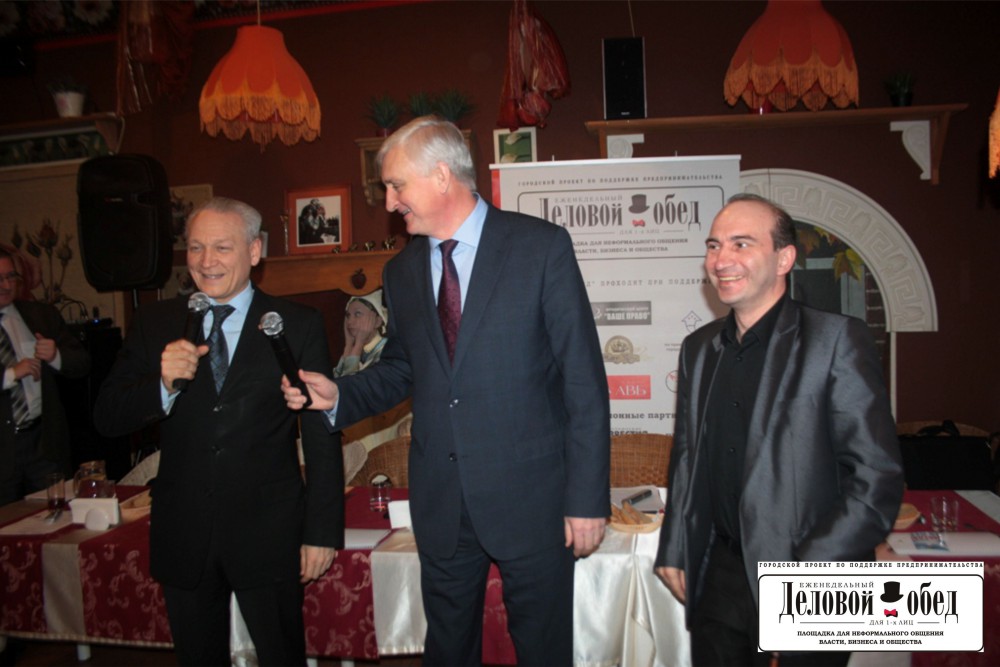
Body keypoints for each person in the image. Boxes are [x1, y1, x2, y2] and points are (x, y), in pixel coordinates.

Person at [283, 116, 610, 666]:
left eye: (396, 186)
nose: (390, 203)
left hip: (532, 500)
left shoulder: (539, 248)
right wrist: (337, 396)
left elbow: (583, 380)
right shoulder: (402, 271)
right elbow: (401, 368)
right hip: (442, 501)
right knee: (447, 652)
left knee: (543, 650)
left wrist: (586, 499)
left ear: (441, 176)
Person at [654, 193, 904, 667]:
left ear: (784, 258)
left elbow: (875, 481)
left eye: (741, 244)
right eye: (714, 245)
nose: (721, 260)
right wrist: (675, 546)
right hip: (717, 578)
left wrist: (801, 580)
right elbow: (688, 458)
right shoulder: (698, 349)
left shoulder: (836, 340)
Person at [93, 197, 343, 666]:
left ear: (254, 251)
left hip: (269, 532)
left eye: (222, 248)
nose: (206, 262)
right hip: (184, 533)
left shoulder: (297, 324)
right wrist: (162, 384)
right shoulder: (156, 323)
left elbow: (321, 435)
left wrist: (322, 531)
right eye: (195, 248)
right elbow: (107, 416)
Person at [0, 249, 90, 505]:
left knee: (57, 515)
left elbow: (82, 363)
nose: (6, 285)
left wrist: (55, 356)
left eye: (10, 277)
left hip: (43, 442)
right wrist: (11, 374)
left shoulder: (39, 315)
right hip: (4, 448)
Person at [334, 289, 388, 378]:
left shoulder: (386, 351)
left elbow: (350, 383)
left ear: (377, 321)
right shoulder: (357, 350)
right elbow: (337, 380)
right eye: (348, 315)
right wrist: (348, 346)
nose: (350, 321)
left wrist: (358, 344)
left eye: (358, 314)